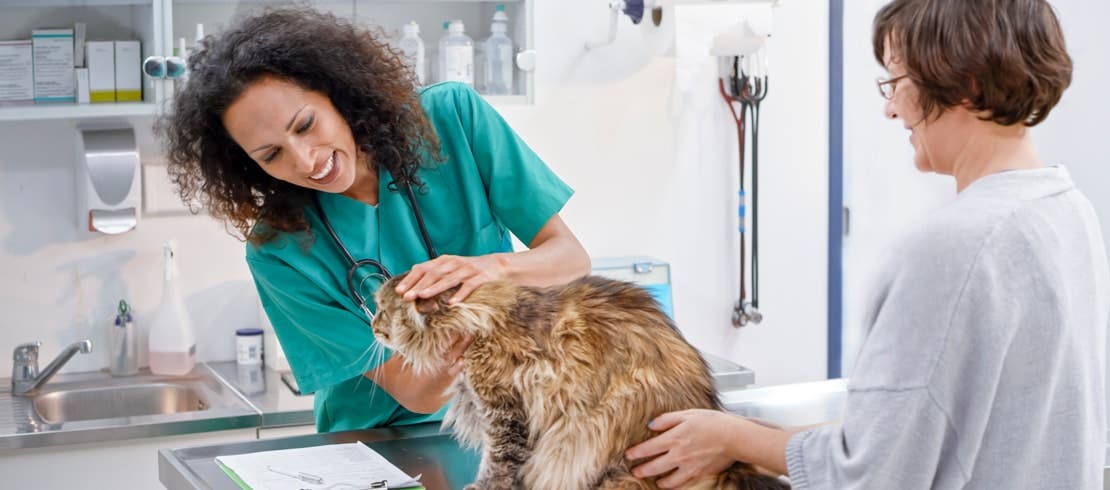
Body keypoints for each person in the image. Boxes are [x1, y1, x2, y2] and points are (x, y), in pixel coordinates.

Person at [627, 0, 1109, 488]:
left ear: (963, 83)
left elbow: (872, 474)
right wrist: (738, 433)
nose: (891, 107)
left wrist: (734, 440)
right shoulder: (1066, 211)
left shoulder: (950, 247)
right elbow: (931, 435)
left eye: (897, 81)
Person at [160, 7, 590, 433]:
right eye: (272, 154)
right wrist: (467, 324)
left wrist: (489, 269)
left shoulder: (452, 117)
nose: (306, 161)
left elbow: (570, 259)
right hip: (379, 441)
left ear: (334, 92)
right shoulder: (278, 251)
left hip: (503, 419)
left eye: (306, 125)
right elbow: (417, 393)